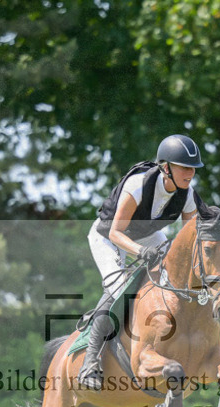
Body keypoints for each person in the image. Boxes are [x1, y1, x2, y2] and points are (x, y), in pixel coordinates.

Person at [78, 134, 204, 390]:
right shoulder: (139, 185)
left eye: (193, 168)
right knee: (119, 288)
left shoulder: (187, 194)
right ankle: (90, 362)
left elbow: (189, 238)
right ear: (166, 167)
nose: (190, 173)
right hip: (109, 236)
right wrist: (139, 251)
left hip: (146, 235)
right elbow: (116, 232)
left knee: (173, 271)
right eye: (184, 167)